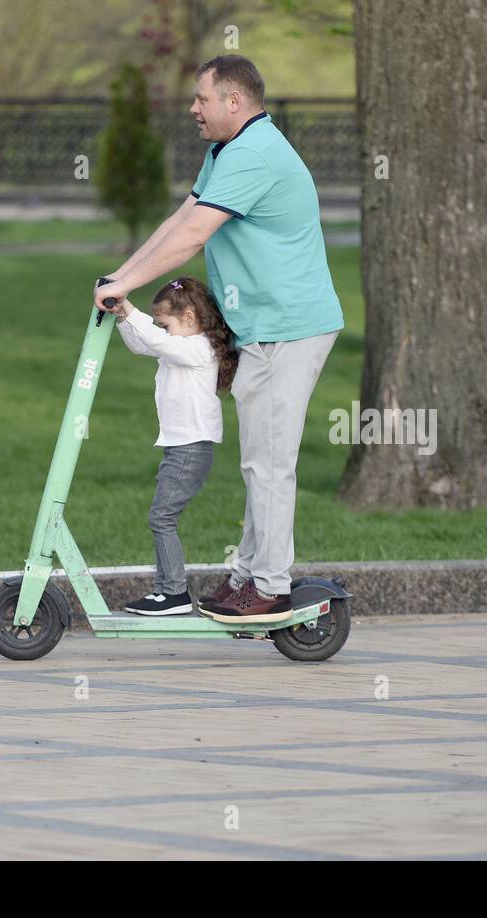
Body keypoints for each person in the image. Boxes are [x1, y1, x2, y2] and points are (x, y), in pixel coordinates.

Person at [96, 54, 343, 625]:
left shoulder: (255, 154)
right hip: (262, 328)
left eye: (201, 99)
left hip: (289, 328)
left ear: (235, 101)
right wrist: (120, 279)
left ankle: (271, 586)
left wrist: (128, 284)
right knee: (260, 459)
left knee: (270, 463)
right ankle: (247, 576)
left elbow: (195, 238)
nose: (193, 109)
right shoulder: (226, 152)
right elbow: (178, 222)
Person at [113, 277, 237, 617]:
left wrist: (129, 307)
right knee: (162, 517)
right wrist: (123, 317)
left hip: (191, 449)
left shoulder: (198, 349)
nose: (162, 331)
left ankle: (173, 593)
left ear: (191, 318)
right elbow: (143, 345)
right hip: (180, 448)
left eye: (165, 324)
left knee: (162, 517)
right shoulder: (179, 347)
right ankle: (167, 592)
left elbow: (156, 341)